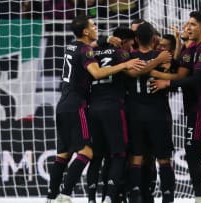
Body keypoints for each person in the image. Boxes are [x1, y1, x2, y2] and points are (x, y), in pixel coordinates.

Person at [45, 15, 145, 203]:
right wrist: (124, 64)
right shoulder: (87, 51)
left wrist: (105, 39)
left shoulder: (71, 46)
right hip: (77, 106)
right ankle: (65, 195)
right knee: (87, 153)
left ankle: (50, 197)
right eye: (93, 25)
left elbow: (92, 47)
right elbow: (97, 73)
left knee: (63, 155)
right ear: (85, 31)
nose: (96, 27)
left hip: (62, 105)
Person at [151, 10, 201, 203]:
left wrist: (167, 84)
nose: (187, 27)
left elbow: (195, 79)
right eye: (186, 24)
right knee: (192, 153)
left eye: (192, 25)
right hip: (195, 108)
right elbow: (180, 69)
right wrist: (179, 44)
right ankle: (200, 199)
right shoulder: (191, 49)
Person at [86, 26, 136, 203]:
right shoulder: (122, 54)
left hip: (93, 108)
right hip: (114, 108)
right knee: (119, 154)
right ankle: (108, 198)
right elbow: (133, 74)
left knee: (97, 155)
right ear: (123, 41)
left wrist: (103, 39)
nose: (132, 46)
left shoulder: (92, 51)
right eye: (131, 43)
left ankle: (91, 199)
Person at [126, 22, 175, 203]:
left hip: (135, 113)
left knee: (136, 158)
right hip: (159, 113)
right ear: (155, 39)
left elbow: (132, 73)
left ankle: (136, 197)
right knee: (163, 159)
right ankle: (168, 198)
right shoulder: (163, 56)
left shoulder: (129, 57)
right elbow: (174, 73)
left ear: (136, 39)